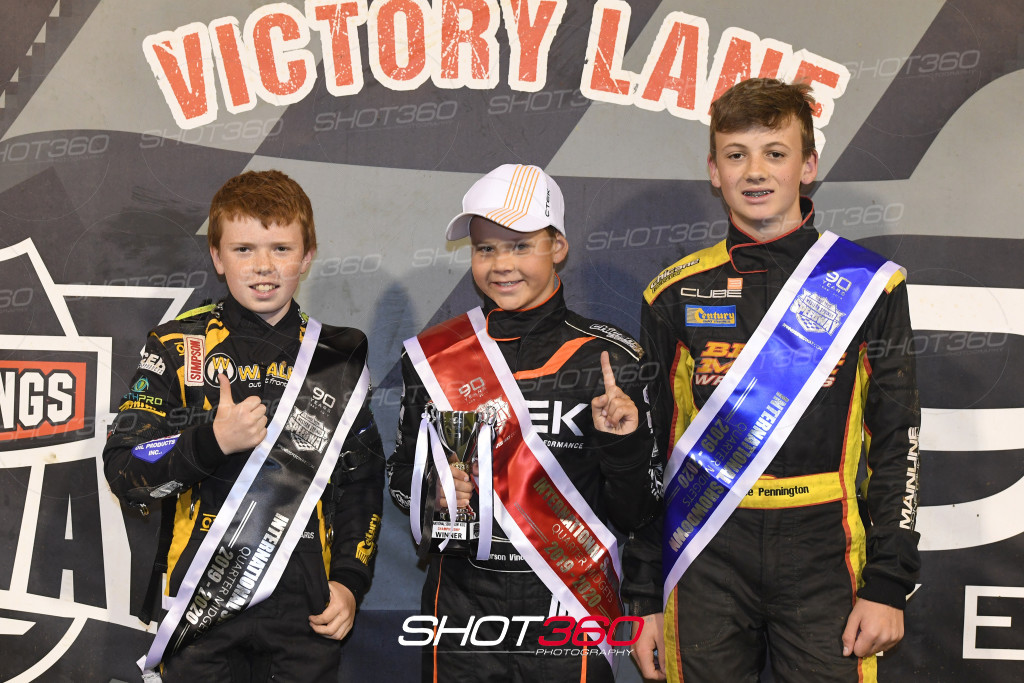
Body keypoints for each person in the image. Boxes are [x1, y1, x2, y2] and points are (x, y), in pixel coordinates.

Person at [626, 78, 921, 682]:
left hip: (825, 548)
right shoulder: (673, 292)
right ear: (714, 171)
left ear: (808, 166)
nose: (755, 171)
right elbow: (655, 453)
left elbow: (898, 441)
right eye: (736, 154)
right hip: (705, 548)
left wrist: (888, 582)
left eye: (775, 153)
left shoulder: (869, 285)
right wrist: (645, 593)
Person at [103, 170, 384, 681]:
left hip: (306, 607)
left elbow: (363, 480)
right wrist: (212, 441)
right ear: (217, 256)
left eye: (281, 249)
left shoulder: (335, 357)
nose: (263, 266)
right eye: (243, 249)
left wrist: (348, 580)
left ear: (308, 255)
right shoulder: (177, 346)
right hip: (200, 603)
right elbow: (125, 471)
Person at [386, 164, 663, 682]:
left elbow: (640, 513)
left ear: (558, 246)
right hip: (461, 608)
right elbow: (401, 479)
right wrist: (434, 493)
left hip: (568, 604)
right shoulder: (435, 357)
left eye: (520, 245)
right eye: (485, 248)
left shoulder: (612, 360)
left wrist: (624, 446)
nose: (501, 265)